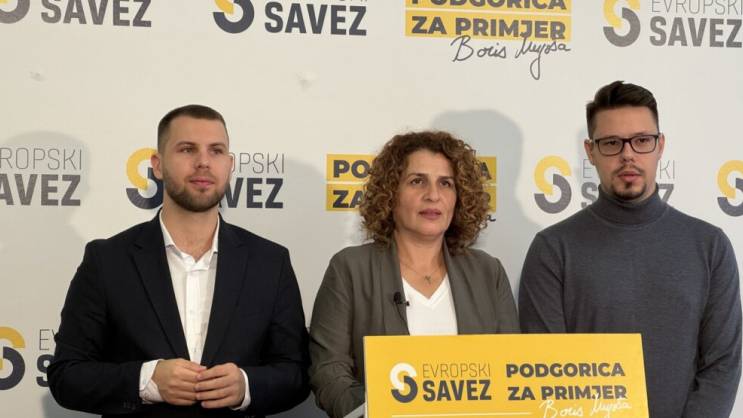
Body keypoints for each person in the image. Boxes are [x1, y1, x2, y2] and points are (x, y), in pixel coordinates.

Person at [48, 104, 309, 417]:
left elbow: (297, 372)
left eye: (216, 151)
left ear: (229, 165)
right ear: (157, 166)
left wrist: (246, 385)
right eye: (187, 149)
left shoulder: (270, 262)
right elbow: (67, 375)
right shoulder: (107, 260)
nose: (203, 162)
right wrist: (147, 380)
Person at [519, 81, 742, 418]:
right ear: (590, 151)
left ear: (660, 146)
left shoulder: (709, 246)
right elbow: (546, 373)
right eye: (611, 143)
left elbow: (722, 365)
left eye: (641, 140)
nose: (628, 154)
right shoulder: (552, 250)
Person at [309, 131, 519, 418]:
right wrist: (378, 410)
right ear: (390, 193)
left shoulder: (488, 272)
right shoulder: (350, 268)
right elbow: (328, 371)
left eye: (446, 183)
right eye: (417, 181)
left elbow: (511, 370)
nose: (433, 195)